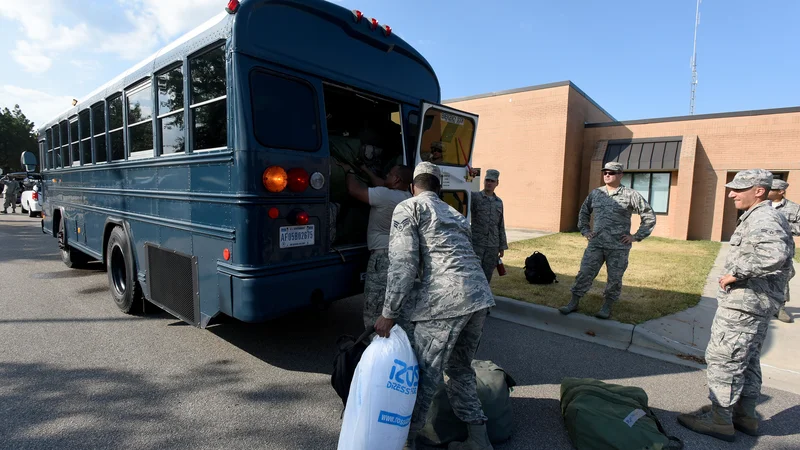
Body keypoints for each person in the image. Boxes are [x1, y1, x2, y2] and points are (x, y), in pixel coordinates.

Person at [374, 162, 496, 450]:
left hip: (446, 301)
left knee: (420, 375)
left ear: (411, 185)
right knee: (460, 369)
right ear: (439, 187)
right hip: (479, 297)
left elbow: (403, 265)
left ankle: (405, 442)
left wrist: (388, 313)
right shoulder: (454, 213)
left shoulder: (409, 207)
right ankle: (479, 440)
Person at [678, 169, 794, 441]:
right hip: (755, 303)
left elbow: (775, 255)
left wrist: (736, 273)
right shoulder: (762, 215)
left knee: (724, 359)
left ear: (759, 191)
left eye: (739, 189)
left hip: (745, 303)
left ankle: (720, 419)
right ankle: (745, 415)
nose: (731, 193)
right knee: (748, 359)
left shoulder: (763, 217)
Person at [559, 162, 656, 319]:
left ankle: (607, 306)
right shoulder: (596, 193)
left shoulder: (631, 195)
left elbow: (649, 216)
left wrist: (636, 236)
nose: (607, 175)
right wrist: (585, 231)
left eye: (611, 172)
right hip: (596, 244)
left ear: (620, 175)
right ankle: (573, 302)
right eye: (605, 172)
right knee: (584, 273)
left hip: (618, 247)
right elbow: (583, 212)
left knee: (614, 279)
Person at [335, 160, 413, 331]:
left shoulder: (384, 195)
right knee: (394, 306)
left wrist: (349, 172)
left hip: (382, 259)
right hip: (400, 257)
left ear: (397, 180)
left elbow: (354, 190)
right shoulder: (407, 196)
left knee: (374, 308)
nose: (387, 175)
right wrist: (365, 170)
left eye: (390, 173)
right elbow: (381, 184)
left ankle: (374, 346)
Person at [768, 178, 799, 323]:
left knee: (783, 277)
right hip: (760, 248)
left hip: (783, 250)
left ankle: (780, 308)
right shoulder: (761, 205)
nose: (767, 191)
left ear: (781, 192)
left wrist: (781, 225)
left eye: (771, 189)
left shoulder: (794, 208)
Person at [470, 169, 508, 283]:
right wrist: (470, 177)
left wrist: (502, 246)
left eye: (492, 181)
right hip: (477, 244)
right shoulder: (475, 197)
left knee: (487, 276)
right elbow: (465, 190)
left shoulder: (499, 202)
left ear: (497, 183)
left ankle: (484, 299)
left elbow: (500, 224)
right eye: (487, 180)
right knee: (474, 274)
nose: (489, 183)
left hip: (493, 245)